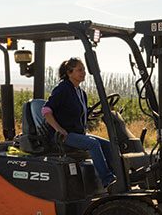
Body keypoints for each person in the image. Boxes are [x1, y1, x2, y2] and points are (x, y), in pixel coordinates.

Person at [42, 58, 117, 189]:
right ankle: (107, 180)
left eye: (84, 70)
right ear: (69, 72)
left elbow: (85, 113)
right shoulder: (63, 89)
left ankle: (117, 177)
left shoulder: (81, 93)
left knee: (107, 144)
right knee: (93, 144)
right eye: (79, 70)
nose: (83, 73)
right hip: (62, 136)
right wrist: (59, 129)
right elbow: (46, 110)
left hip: (77, 133)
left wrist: (101, 112)